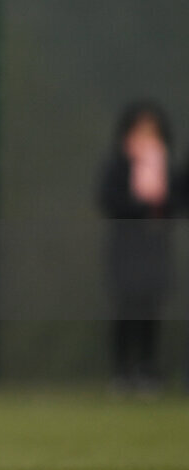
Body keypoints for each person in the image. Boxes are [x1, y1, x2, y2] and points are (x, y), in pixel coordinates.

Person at [96, 101, 176, 392]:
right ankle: (122, 372)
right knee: (126, 307)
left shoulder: (165, 165)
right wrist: (140, 207)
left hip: (155, 246)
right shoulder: (118, 164)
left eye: (151, 131)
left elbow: (175, 202)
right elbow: (107, 199)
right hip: (126, 246)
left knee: (150, 307)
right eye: (140, 130)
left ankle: (147, 370)